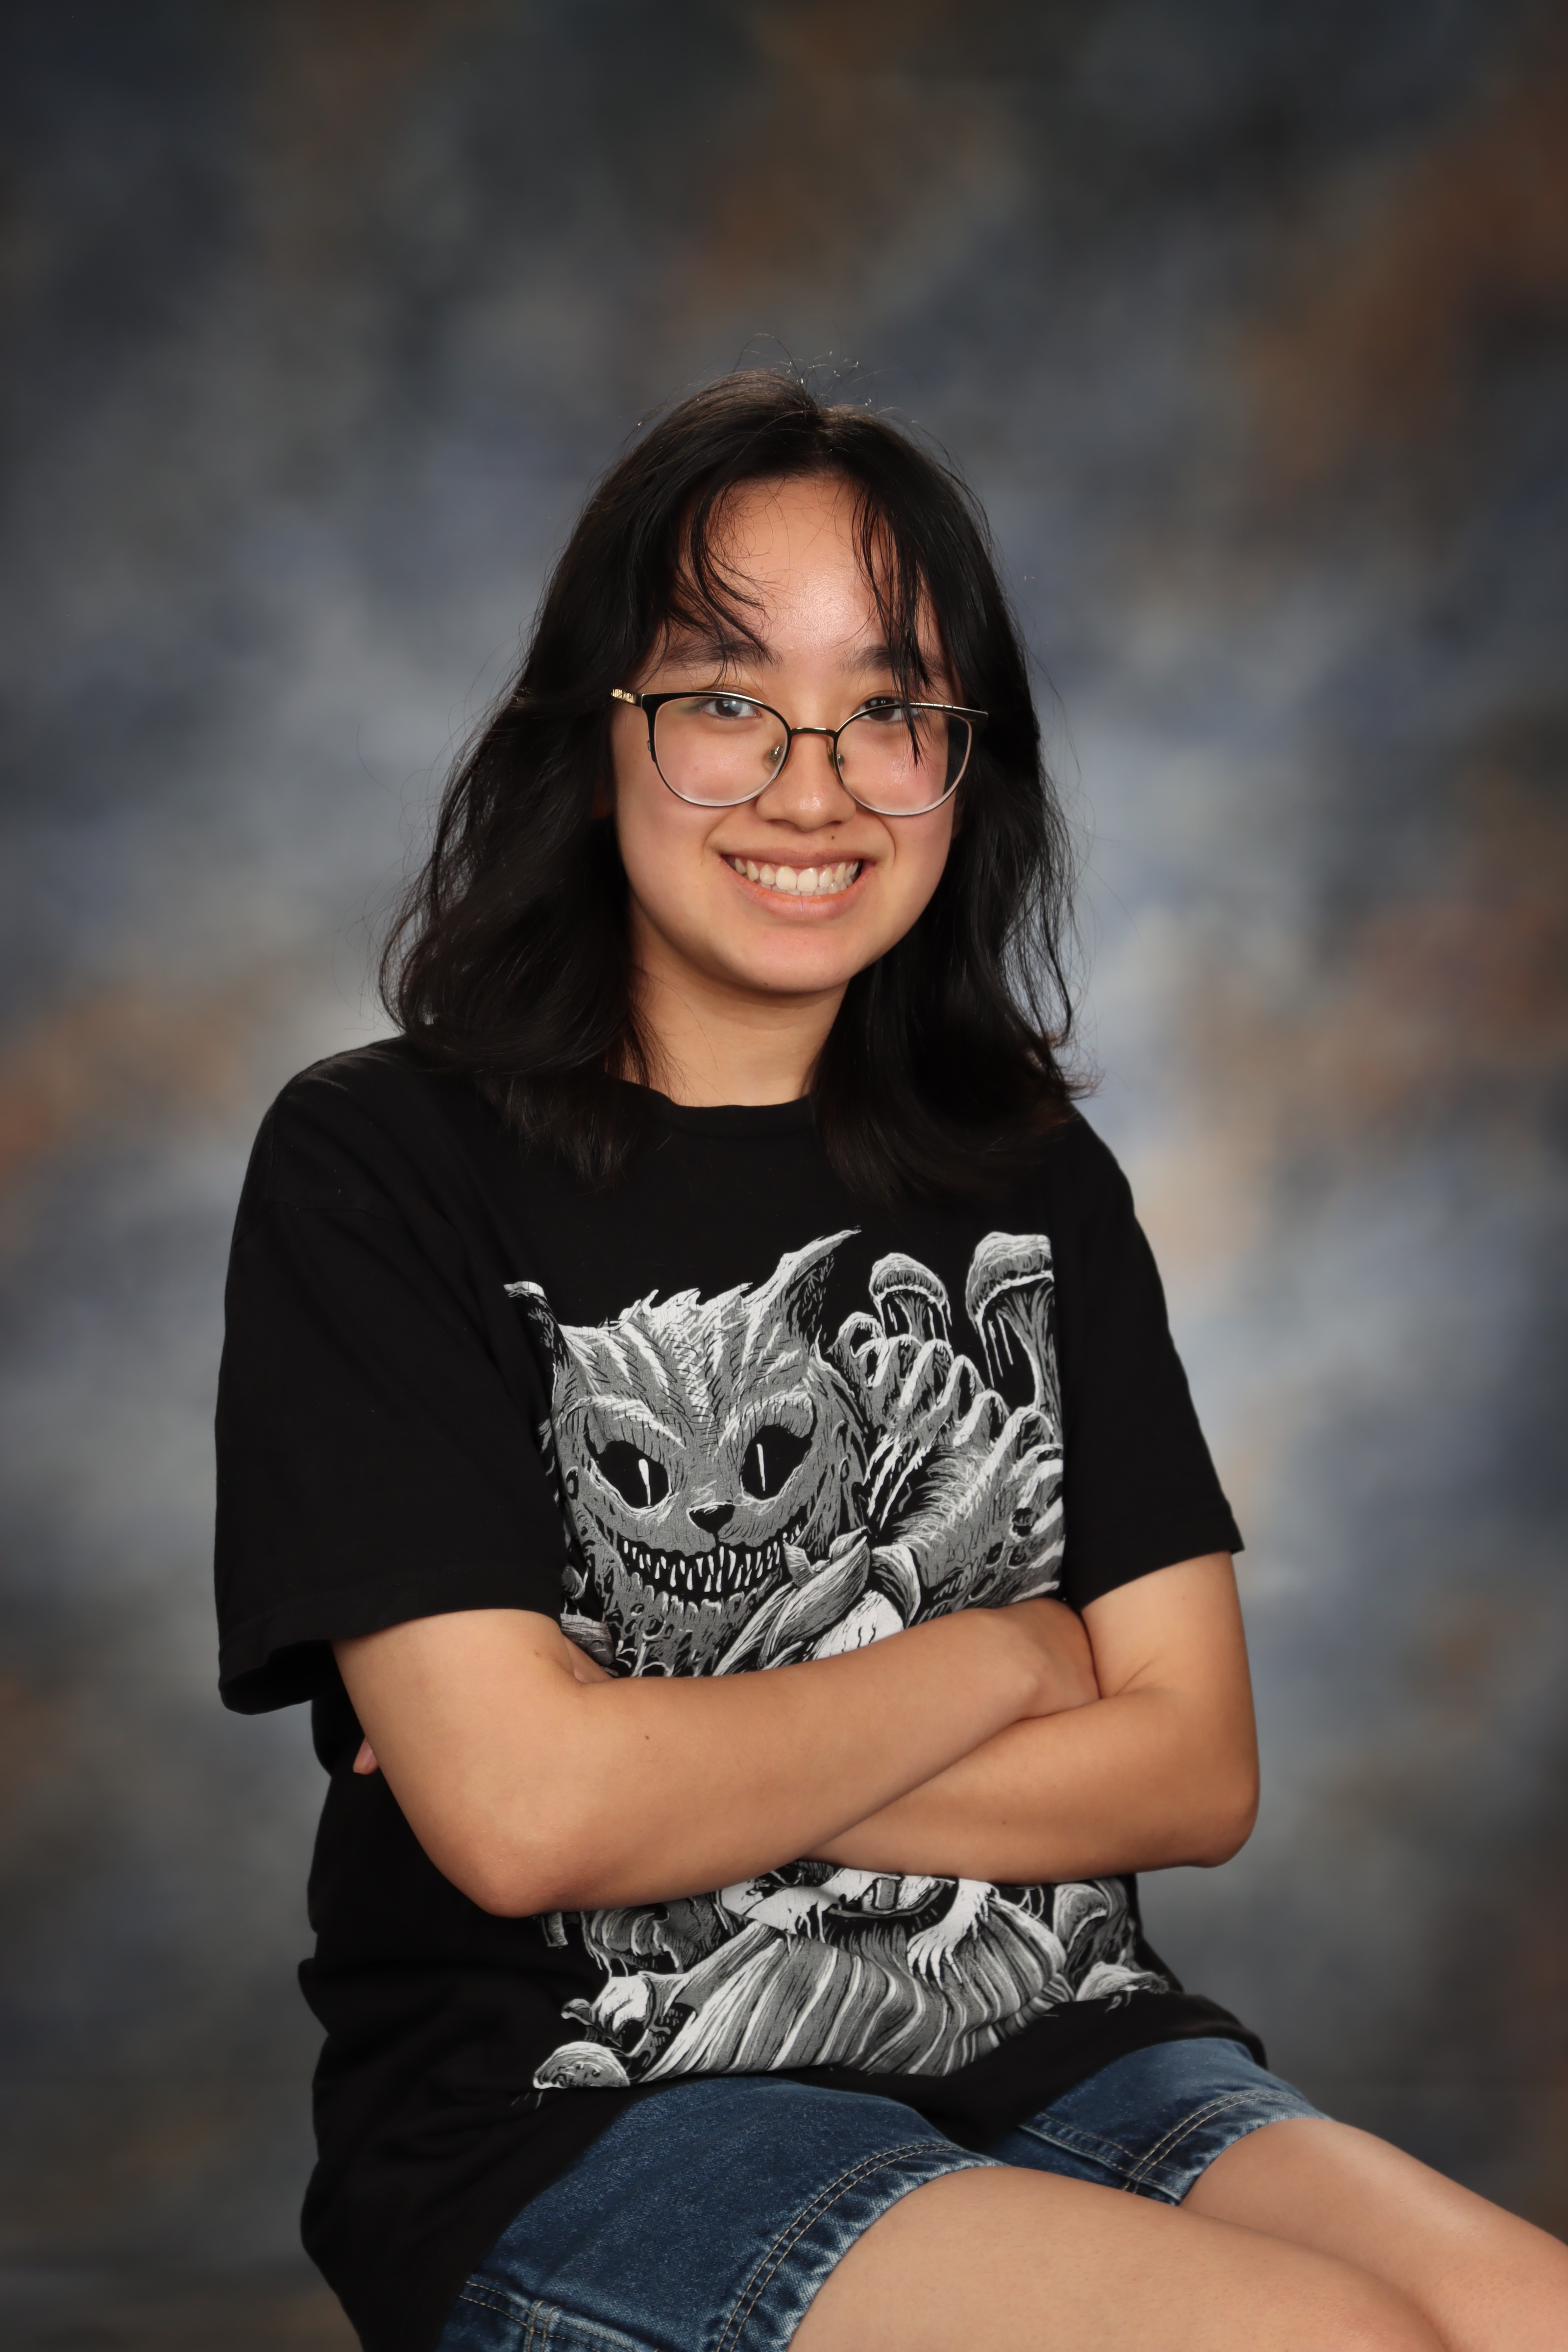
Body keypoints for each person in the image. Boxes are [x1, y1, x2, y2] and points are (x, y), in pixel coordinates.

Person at [214, 372, 1567, 2352]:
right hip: (587, 2112)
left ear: (961, 767)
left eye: (890, 712)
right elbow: (527, 1827)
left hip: (1064, 2041)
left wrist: (655, 1750)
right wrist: (1003, 1660)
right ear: (593, 741)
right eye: (725, 700)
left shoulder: (1031, 1177)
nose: (813, 787)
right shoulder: (379, 1165)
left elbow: (1192, 1769)